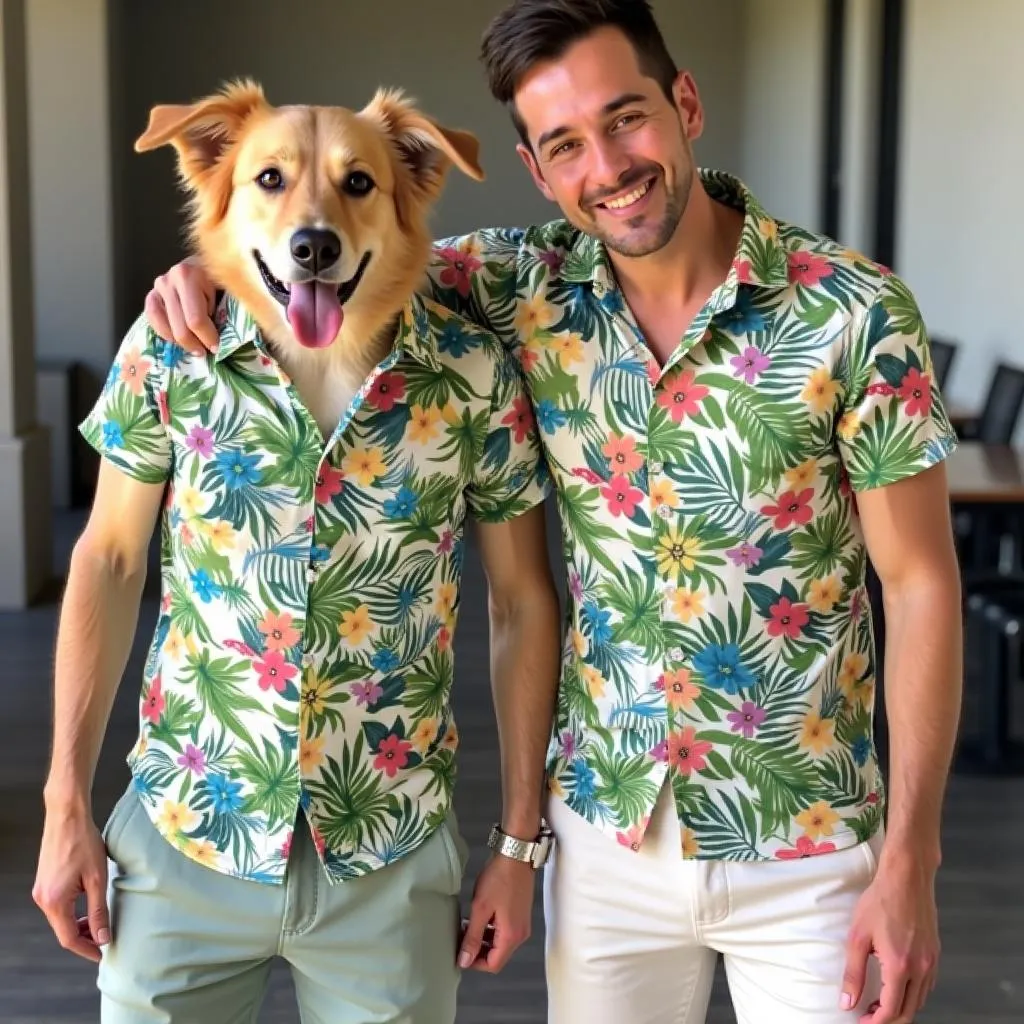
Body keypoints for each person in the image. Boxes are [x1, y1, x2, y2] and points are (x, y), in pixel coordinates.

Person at [142, 2, 965, 1022]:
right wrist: (198, 277)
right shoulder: (513, 286)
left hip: (808, 841)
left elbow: (921, 581)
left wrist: (914, 859)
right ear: (537, 168)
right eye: (567, 143)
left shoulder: (852, 310)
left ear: (685, 104)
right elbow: (320, 254)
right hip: (604, 842)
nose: (608, 164)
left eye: (626, 119)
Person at [32, 90, 563, 1022]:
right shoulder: (169, 355)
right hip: (186, 834)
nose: (311, 223)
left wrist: (519, 847)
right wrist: (64, 805)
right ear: (222, 195)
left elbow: (521, 602)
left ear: (406, 202)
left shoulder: (472, 375)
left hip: (388, 852)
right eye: (271, 183)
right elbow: (109, 564)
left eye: (355, 186)